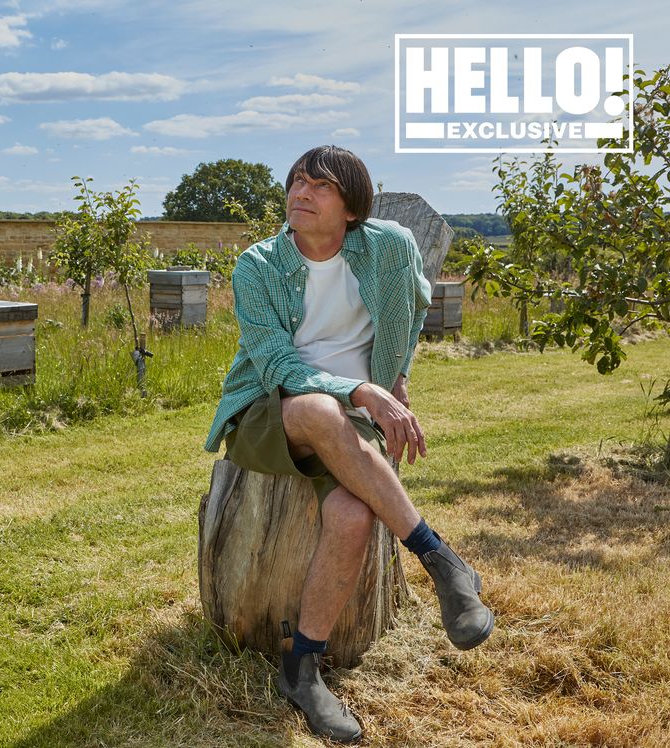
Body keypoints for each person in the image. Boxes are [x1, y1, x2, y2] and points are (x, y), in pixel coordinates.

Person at [204, 145, 494, 743]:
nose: (300, 194)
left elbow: (414, 304)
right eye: (296, 183)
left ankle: (302, 669)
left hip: (351, 420)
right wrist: (361, 390)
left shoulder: (388, 247)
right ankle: (440, 559)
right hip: (268, 410)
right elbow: (279, 364)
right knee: (314, 405)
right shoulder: (258, 265)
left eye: (319, 187)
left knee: (353, 512)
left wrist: (397, 377)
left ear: (352, 207)